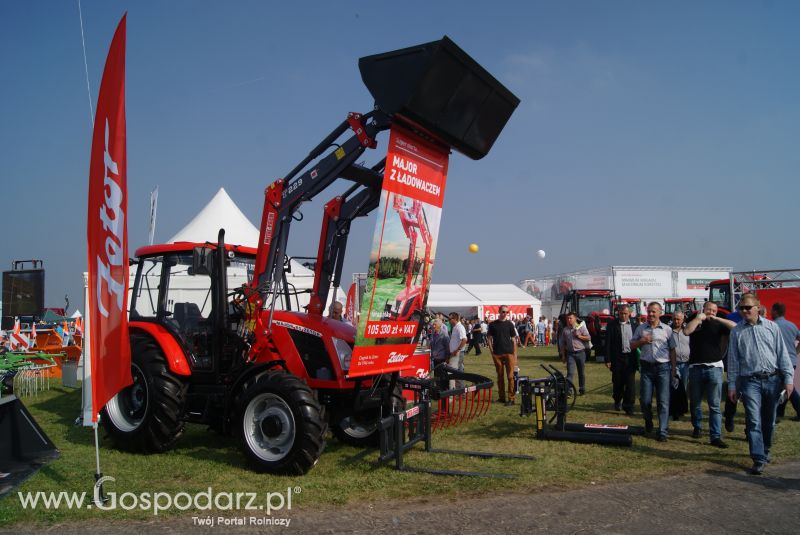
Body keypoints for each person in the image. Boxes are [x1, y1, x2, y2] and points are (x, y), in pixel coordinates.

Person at [727, 293, 795, 475]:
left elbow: (782, 355)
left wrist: (788, 379)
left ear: (758, 307)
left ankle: (765, 451)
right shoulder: (736, 331)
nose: (744, 311)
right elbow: (733, 361)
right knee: (753, 420)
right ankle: (758, 458)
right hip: (750, 382)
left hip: (773, 380)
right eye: (741, 308)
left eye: (748, 307)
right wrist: (732, 386)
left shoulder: (772, 327)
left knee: (769, 421)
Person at [683, 301, 736, 447]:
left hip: (714, 367)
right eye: (708, 310)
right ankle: (698, 427)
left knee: (715, 405)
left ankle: (715, 436)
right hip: (695, 367)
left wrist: (718, 318)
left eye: (714, 310)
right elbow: (687, 331)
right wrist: (699, 318)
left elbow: (735, 327)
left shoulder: (719, 324)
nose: (711, 312)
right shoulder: (696, 320)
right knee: (695, 403)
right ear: (703, 309)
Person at [631, 302, 676, 442]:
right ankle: (648, 420)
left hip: (663, 367)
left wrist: (673, 369)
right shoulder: (641, 328)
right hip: (647, 368)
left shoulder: (667, 329)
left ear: (659, 313)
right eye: (649, 311)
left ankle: (662, 431)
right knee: (645, 400)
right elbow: (631, 345)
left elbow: (672, 350)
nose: (650, 314)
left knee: (663, 401)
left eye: (653, 312)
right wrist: (642, 341)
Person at [605, 304, 638, 415]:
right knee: (617, 383)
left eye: (625, 313)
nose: (623, 315)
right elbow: (608, 343)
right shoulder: (612, 325)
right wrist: (608, 359)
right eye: (621, 313)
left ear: (629, 313)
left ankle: (629, 406)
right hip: (617, 359)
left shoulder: (635, 325)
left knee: (630, 385)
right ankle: (617, 400)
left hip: (630, 358)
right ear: (618, 313)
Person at [771, 302, 800, 421]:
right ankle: (779, 412)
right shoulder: (792, 325)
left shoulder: (772, 325)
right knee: (786, 386)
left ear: (776, 311)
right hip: (791, 360)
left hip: (778, 361)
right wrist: (796, 351)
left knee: (781, 388)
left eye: (772, 310)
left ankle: (777, 414)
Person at [488, 306, 518, 406]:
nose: (505, 313)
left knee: (510, 377)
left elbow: (514, 340)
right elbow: (489, 338)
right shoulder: (493, 324)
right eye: (503, 312)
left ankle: (511, 398)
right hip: (497, 354)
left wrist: (515, 354)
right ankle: (502, 398)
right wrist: (492, 351)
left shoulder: (510, 324)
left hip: (509, 353)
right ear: (499, 312)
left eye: (507, 312)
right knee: (500, 377)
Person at [559, 312, 591, 396]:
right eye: (568, 318)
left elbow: (588, 337)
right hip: (570, 354)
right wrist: (563, 355)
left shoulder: (580, 327)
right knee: (570, 372)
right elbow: (562, 343)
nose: (569, 320)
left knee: (581, 372)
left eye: (571, 318)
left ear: (575, 319)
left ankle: (582, 389)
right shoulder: (565, 330)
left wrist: (579, 336)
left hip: (581, 352)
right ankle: (569, 390)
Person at [447, 312, 468, 389]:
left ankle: (459, 392)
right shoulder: (456, 327)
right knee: (458, 372)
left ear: (454, 319)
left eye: (449, 319)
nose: (448, 321)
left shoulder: (459, 327)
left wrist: (457, 350)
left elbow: (464, 339)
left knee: (455, 373)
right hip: (455, 353)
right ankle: (460, 391)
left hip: (457, 354)